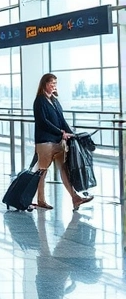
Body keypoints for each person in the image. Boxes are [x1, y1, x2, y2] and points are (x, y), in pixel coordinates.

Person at [32, 73, 93, 211]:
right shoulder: (39, 101)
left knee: (64, 169)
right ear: (44, 84)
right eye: (51, 83)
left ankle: (75, 198)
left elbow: (61, 120)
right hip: (45, 142)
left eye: (55, 83)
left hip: (58, 142)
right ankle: (40, 200)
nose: (54, 86)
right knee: (42, 172)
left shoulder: (54, 100)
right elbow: (43, 122)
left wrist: (70, 133)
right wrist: (60, 132)